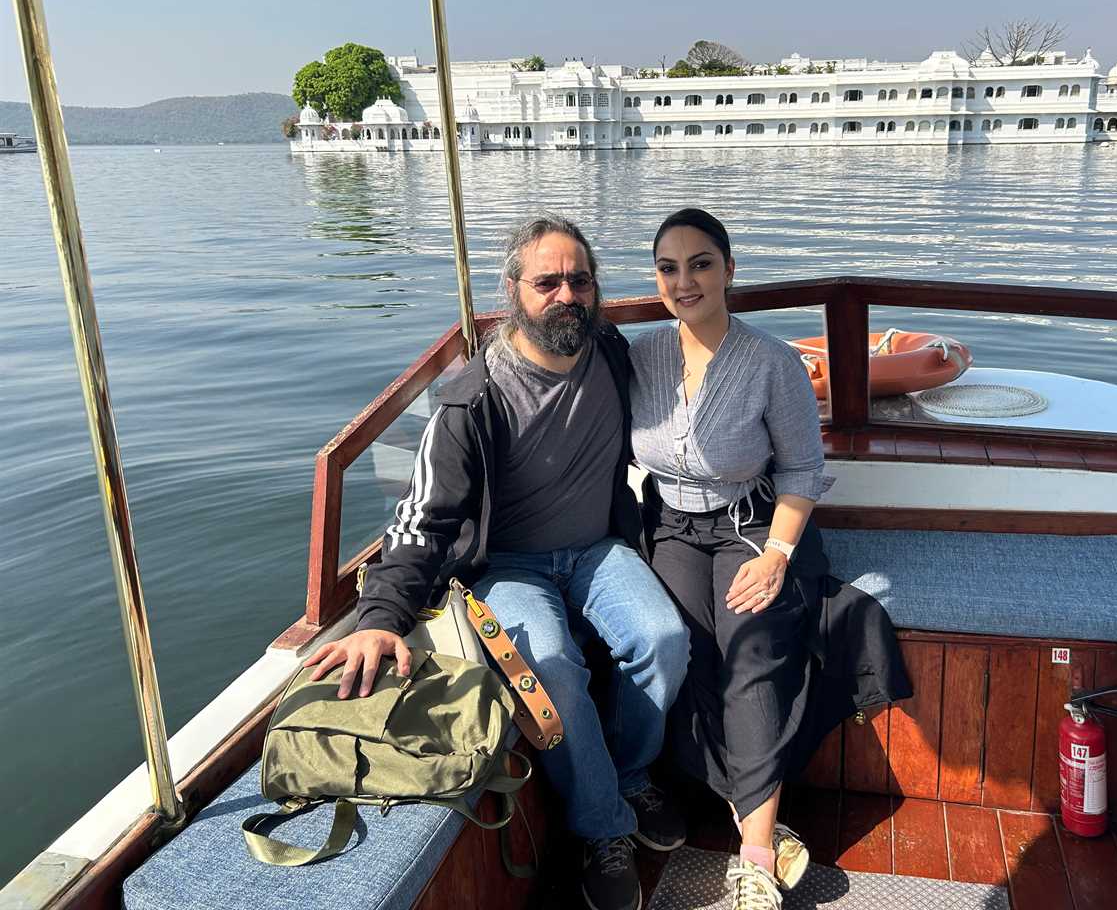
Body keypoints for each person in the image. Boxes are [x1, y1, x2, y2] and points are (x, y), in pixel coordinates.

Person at [304, 214, 690, 910]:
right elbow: (422, 517)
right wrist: (380, 615)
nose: (566, 295)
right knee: (549, 666)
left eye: (579, 279)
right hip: (509, 566)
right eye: (547, 282)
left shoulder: (611, 351)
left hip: (600, 549)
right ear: (513, 289)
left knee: (663, 640)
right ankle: (603, 827)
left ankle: (632, 773)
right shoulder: (470, 398)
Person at [629, 208, 911, 910]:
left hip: (753, 523)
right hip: (669, 525)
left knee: (751, 643)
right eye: (669, 267)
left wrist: (780, 554)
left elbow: (801, 469)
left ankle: (753, 854)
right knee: (682, 649)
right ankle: (750, 808)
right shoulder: (641, 357)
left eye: (700, 263)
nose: (684, 280)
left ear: (729, 269)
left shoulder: (770, 362)